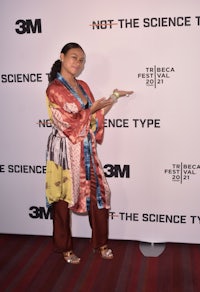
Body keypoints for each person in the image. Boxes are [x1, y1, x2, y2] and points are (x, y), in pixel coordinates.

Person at [45, 42, 133, 264]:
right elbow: (65, 122)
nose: (78, 63)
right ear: (62, 57)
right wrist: (89, 111)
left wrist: (113, 97)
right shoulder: (54, 88)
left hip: (86, 148)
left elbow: (93, 117)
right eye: (74, 57)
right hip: (64, 152)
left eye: (82, 60)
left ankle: (101, 244)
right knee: (64, 200)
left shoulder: (83, 85)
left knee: (100, 194)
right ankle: (65, 249)